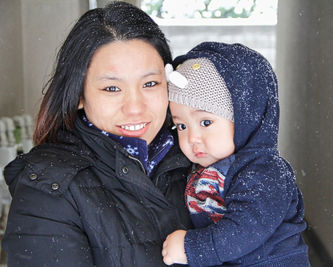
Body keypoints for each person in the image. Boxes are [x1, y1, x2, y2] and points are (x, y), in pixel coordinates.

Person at [1, 2, 192, 266]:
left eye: (150, 83)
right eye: (112, 89)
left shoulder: (200, 159)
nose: (135, 108)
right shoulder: (47, 188)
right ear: (78, 94)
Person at [162, 42, 310, 266]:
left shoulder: (266, 171)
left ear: (245, 119)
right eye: (181, 126)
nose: (192, 137)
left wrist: (192, 247)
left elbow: (245, 229)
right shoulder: (204, 166)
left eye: (205, 122)